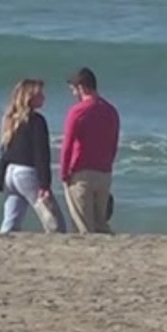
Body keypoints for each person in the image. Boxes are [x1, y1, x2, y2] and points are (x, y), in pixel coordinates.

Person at [0, 78, 66, 234]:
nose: (44, 97)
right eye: (39, 94)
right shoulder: (37, 121)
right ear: (29, 97)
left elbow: (6, 152)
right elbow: (41, 154)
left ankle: (2, 244)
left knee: (11, 221)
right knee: (55, 222)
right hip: (27, 173)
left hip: (10, 173)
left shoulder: (10, 119)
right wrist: (44, 184)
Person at [60, 67, 120, 234]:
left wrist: (64, 173)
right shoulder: (111, 110)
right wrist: (108, 165)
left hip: (81, 173)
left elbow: (68, 145)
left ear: (81, 87)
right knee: (101, 223)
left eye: (74, 89)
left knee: (84, 225)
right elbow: (113, 143)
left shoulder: (78, 111)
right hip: (104, 173)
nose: (73, 94)